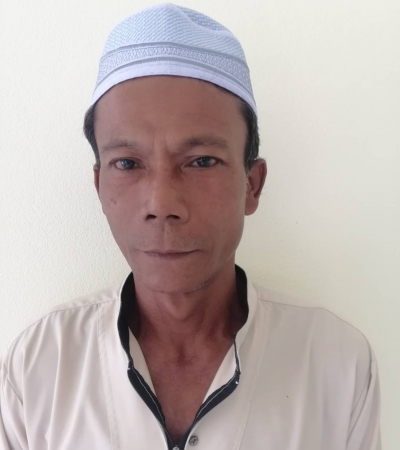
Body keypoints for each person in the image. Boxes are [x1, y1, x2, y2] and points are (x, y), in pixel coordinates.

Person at [0, 3, 381, 449]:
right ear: (99, 187)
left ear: (252, 185)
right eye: (128, 163)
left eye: (201, 161)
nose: (162, 204)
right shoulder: (39, 366)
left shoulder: (337, 363)